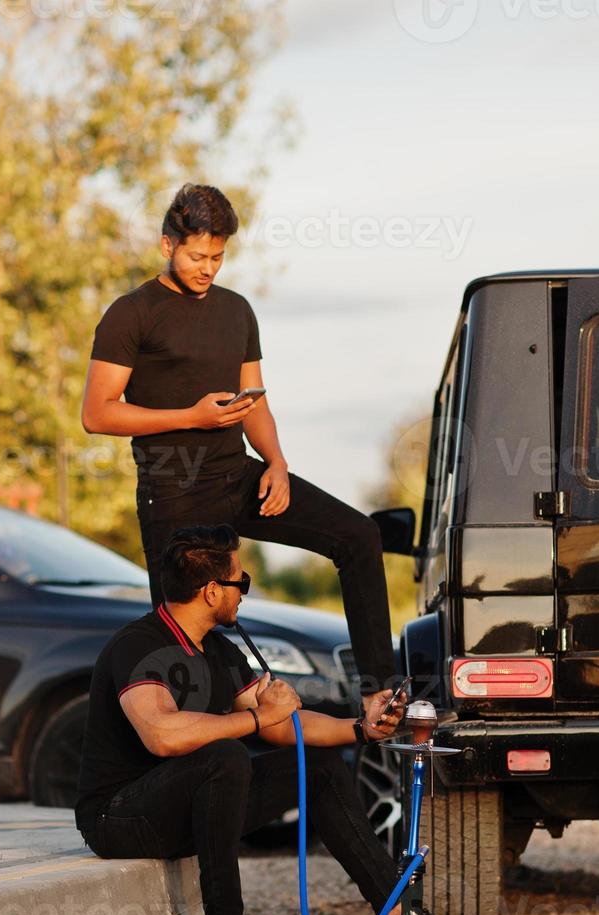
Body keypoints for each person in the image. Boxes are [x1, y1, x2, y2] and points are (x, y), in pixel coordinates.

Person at [74, 525, 487, 915]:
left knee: (321, 767)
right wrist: (253, 718)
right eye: (241, 582)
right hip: (117, 817)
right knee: (225, 755)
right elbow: (163, 735)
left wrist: (362, 729)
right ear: (212, 591)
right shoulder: (140, 645)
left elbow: (284, 726)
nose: (244, 593)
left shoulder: (219, 649)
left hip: (186, 805)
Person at [80, 182, 396, 696]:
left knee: (359, 536)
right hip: (175, 492)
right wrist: (191, 417)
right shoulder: (131, 313)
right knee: (182, 640)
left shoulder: (237, 310)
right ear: (168, 246)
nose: (208, 267)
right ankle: (186, 742)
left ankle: (380, 692)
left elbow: (256, 400)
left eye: (218, 256)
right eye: (197, 255)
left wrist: (275, 462)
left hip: (239, 474)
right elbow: (97, 413)